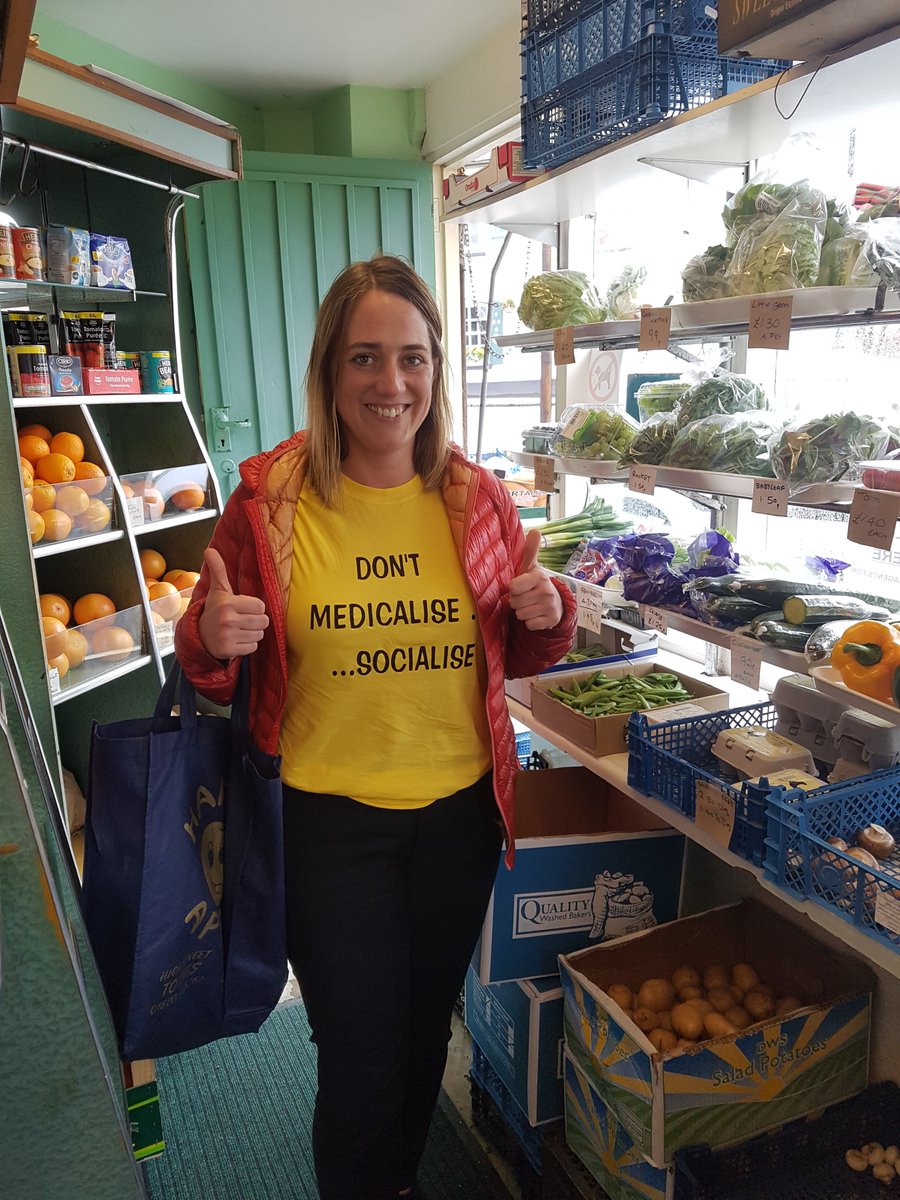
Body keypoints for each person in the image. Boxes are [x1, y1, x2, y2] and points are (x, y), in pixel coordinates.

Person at [175, 254, 577, 1200]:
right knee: (357, 1051)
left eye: (411, 358)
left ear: (436, 370)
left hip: (460, 817)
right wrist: (208, 635)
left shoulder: (477, 499)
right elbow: (210, 664)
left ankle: (392, 1183)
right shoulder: (268, 501)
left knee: (422, 1029)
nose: (389, 384)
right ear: (329, 370)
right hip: (324, 824)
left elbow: (510, 657)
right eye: (365, 358)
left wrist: (549, 616)